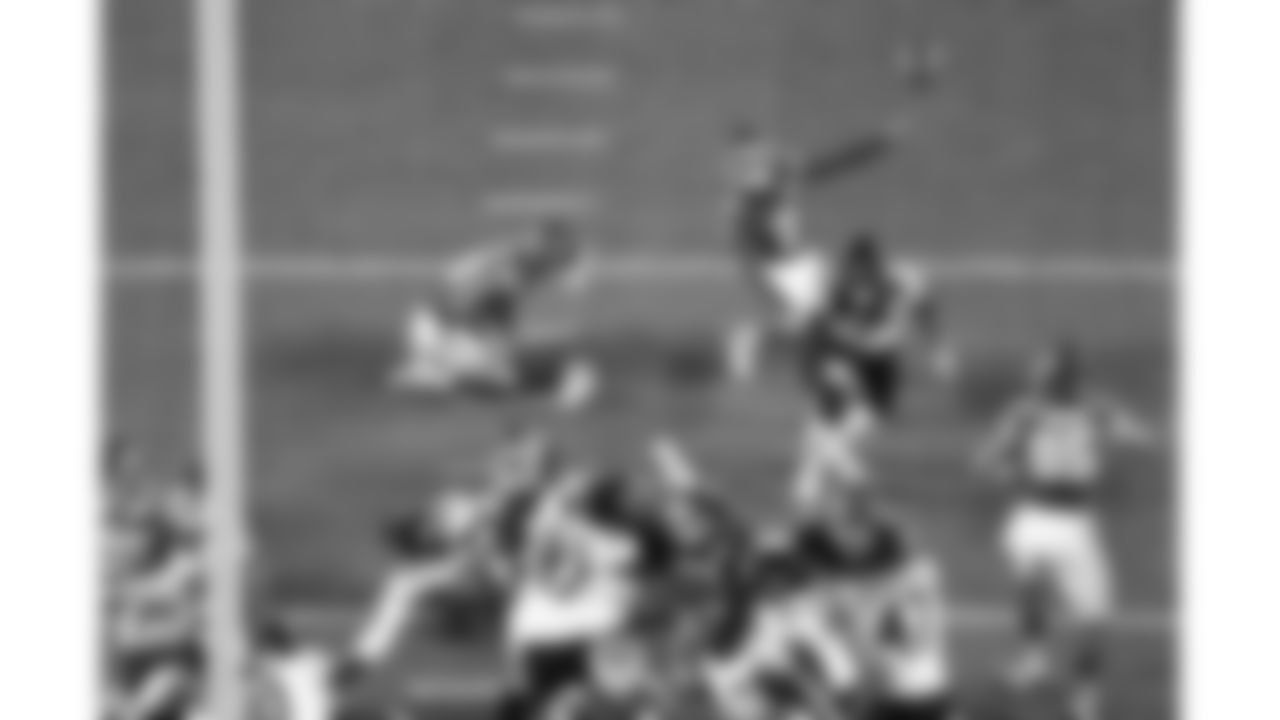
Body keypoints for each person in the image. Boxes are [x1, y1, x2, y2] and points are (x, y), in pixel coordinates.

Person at [974, 342, 1155, 720]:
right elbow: (985, 460)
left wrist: (1116, 437)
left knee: (1092, 616)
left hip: (1072, 525)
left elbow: (1137, 435)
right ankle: (1039, 664)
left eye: (1043, 370)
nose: (1036, 375)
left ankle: (1075, 685)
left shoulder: (1085, 409)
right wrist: (1008, 472)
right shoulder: (1032, 412)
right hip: (1035, 519)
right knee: (1035, 592)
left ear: (1059, 376)